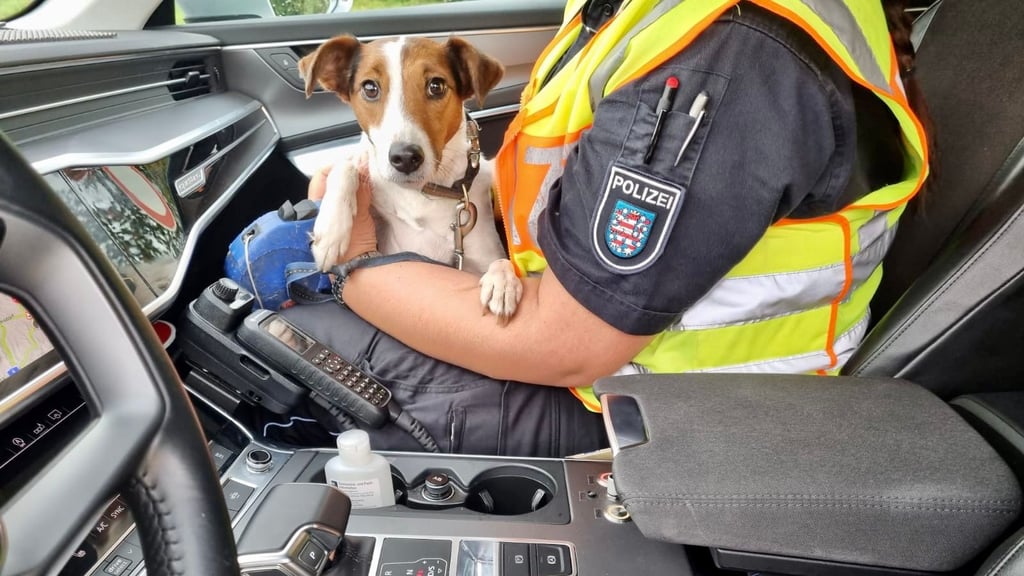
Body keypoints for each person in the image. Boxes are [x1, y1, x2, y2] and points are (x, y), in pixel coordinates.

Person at [278, 0, 933, 457]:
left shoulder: (730, 53)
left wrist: (359, 267)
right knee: (271, 252)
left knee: (279, 328)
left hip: (665, 411)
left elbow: (567, 343)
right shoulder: (636, 12)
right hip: (573, 319)